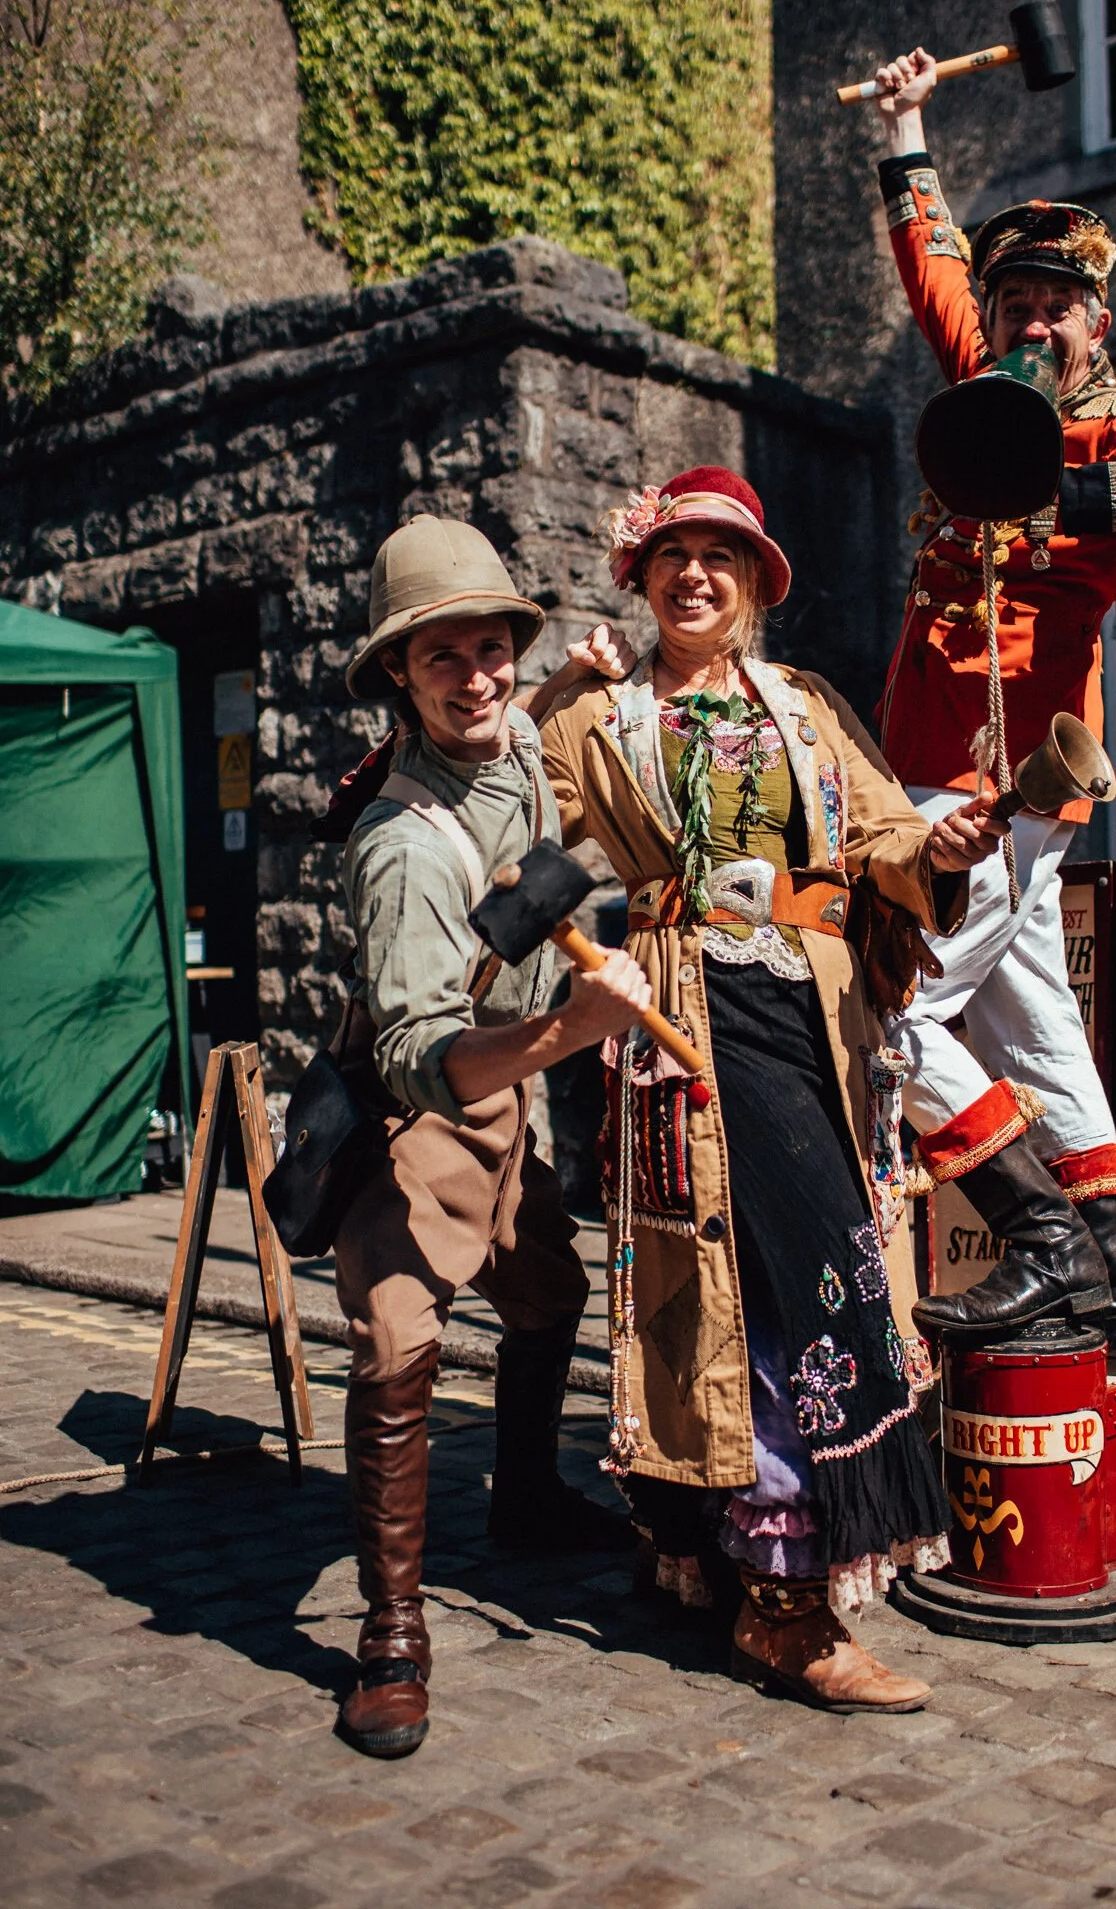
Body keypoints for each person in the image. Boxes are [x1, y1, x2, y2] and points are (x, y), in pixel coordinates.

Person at [538, 466, 998, 1714]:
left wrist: (937, 843)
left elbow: (882, 833)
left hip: (817, 1010)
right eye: (673, 555)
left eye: (720, 558)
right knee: (770, 1273)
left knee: (809, 1264)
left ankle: (724, 1551)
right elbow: (511, 800)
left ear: (753, 583)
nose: (694, 575)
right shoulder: (600, 719)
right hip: (687, 1011)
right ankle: (782, 1604)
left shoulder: (804, 703)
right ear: (641, 577)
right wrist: (552, 688)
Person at [868, 49, 1116, 1360]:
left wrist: (1068, 494)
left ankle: (1037, 1240)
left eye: (1056, 309)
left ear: (1098, 326)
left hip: (996, 788)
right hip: (937, 773)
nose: (1031, 327)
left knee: (885, 1011)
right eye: (1016, 306)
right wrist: (904, 127)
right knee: (1035, 1032)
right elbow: (932, 269)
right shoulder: (985, 391)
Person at [329, 512, 652, 1760]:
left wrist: (570, 677)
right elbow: (419, 1055)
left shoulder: (512, 729)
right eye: (442, 658)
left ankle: (522, 1498)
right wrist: (572, 1028)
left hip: (512, 1089)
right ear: (398, 678)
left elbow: (524, 722)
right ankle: (390, 1636)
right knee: (396, 1341)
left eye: (491, 649)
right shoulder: (401, 851)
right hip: (426, 1109)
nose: (477, 679)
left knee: (549, 1287)